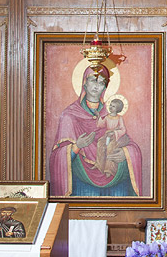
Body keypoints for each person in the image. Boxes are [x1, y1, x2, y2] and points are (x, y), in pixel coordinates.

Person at [49, 63, 143, 196]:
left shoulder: (112, 114)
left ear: (105, 87)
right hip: (82, 184)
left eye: (101, 82)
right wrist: (77, 146)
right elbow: (56, 157)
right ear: (84, 83)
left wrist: (125, 153)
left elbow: (129, 143)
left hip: (114, 181)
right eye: (93, 79)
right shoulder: (69, 116)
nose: (96, 85)